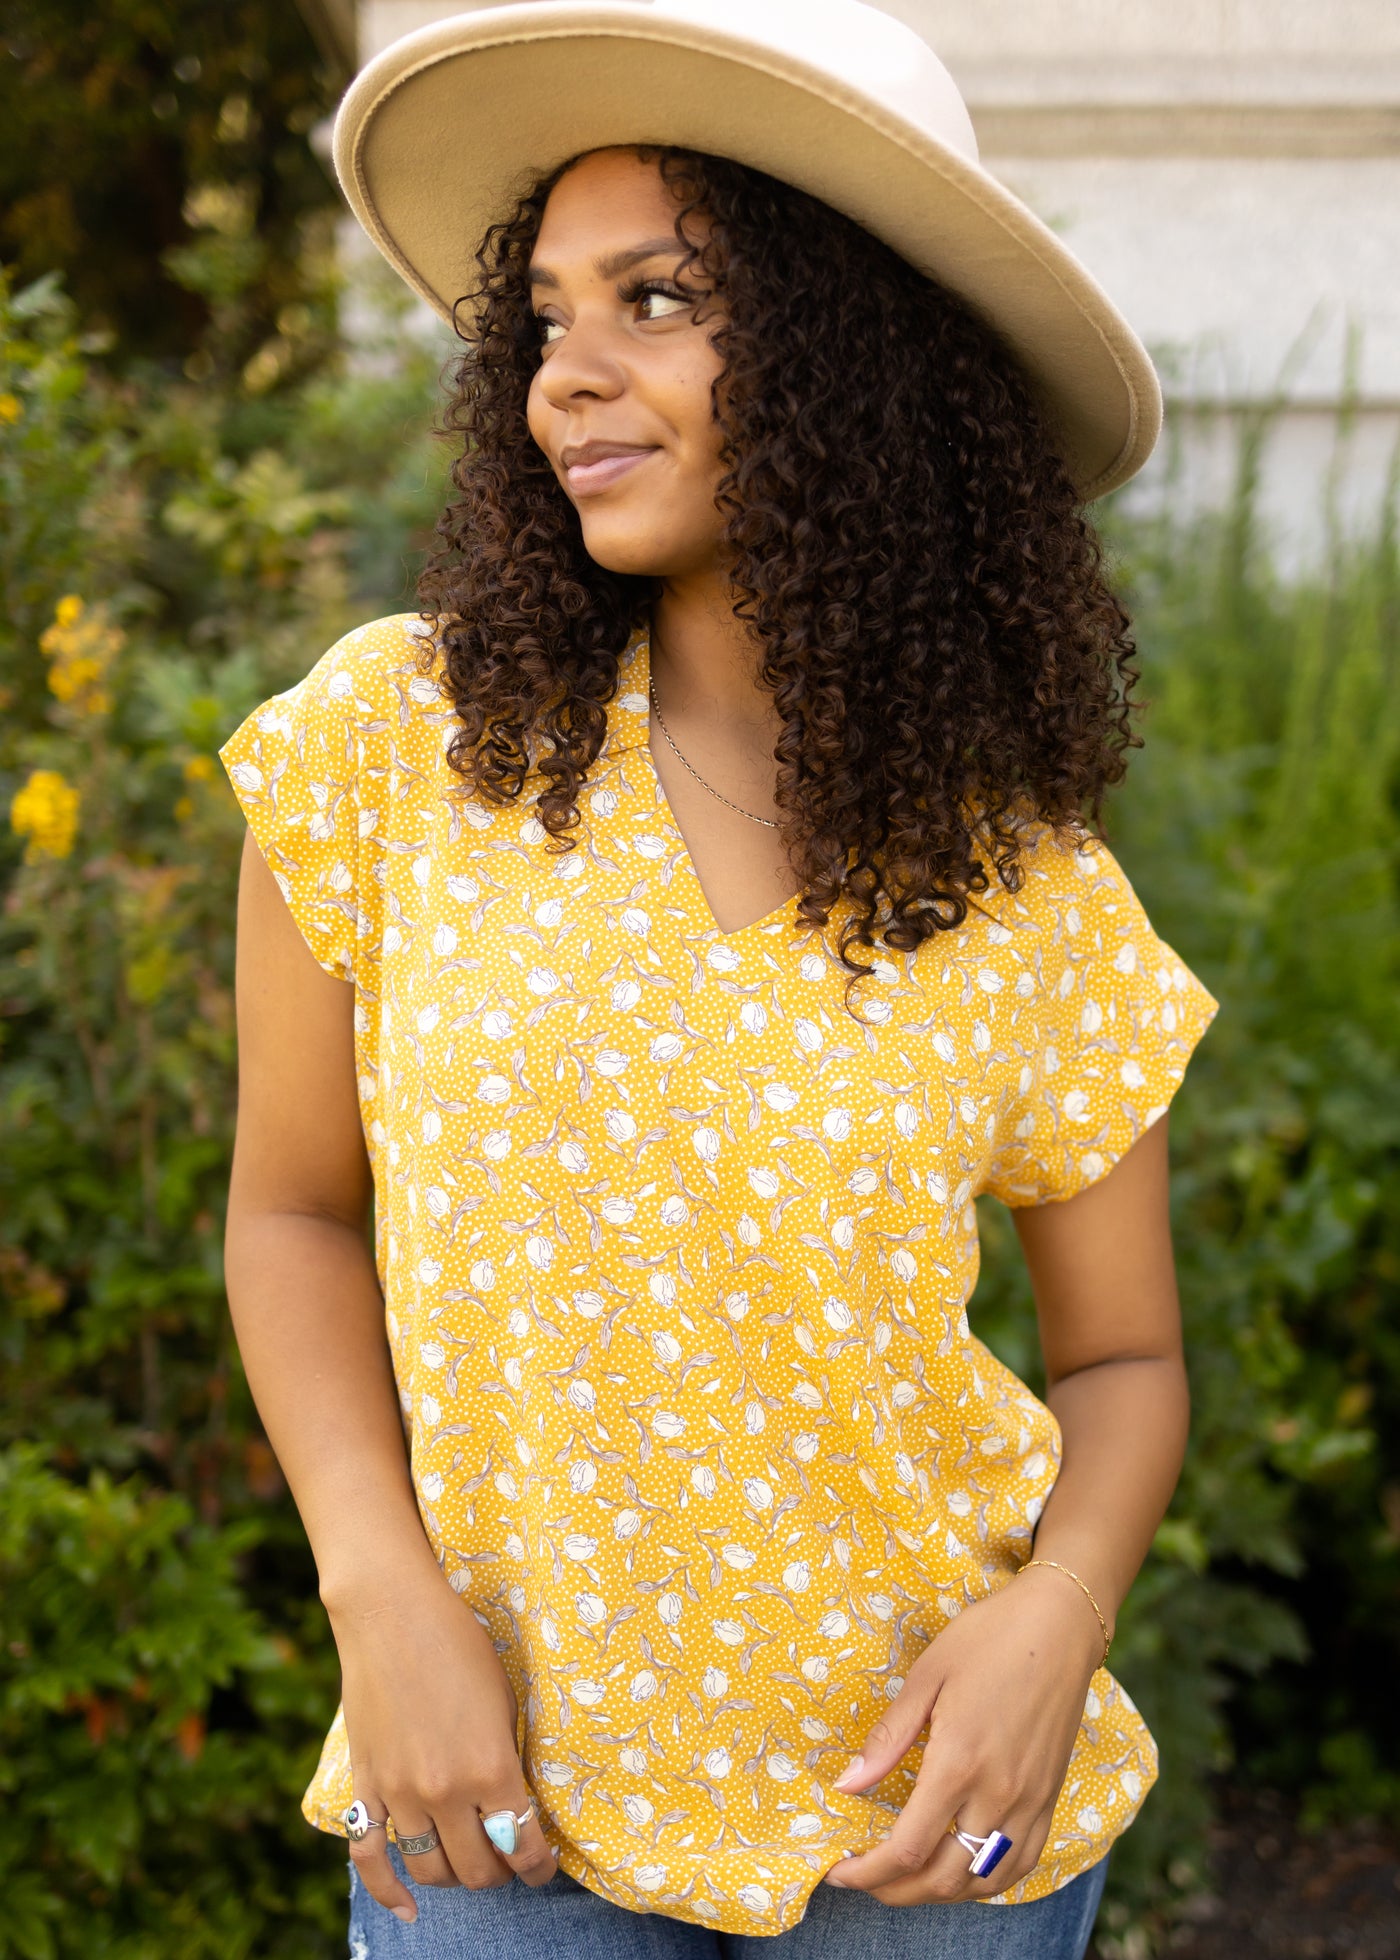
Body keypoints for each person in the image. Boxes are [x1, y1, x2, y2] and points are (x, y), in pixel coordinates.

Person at [219, 3, 1219, 1955]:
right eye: (542, 322)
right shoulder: (397, 747)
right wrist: (380, 1592)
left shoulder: (1025, 889)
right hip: (501, 1816)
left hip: (931, 1837)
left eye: (656, 301)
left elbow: (1122, 1359)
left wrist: (1054, 1613)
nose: (559, 381)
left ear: (860, 354)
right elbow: (287, 1208)